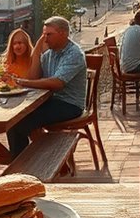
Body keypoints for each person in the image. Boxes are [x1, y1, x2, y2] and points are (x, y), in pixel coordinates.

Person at [5, 17, 88, 158]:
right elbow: (33, 78)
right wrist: (36, 51)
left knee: (18, 124)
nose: (45, 38)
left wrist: (21, 82)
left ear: (63, 33)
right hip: (50, 101)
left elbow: (57, 83)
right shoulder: (49, 54)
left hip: (69, 104)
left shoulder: (74, 54)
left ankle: (21, 167)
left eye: (49, 34)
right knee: (15, 118)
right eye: (44, 34)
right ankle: (28, 162)